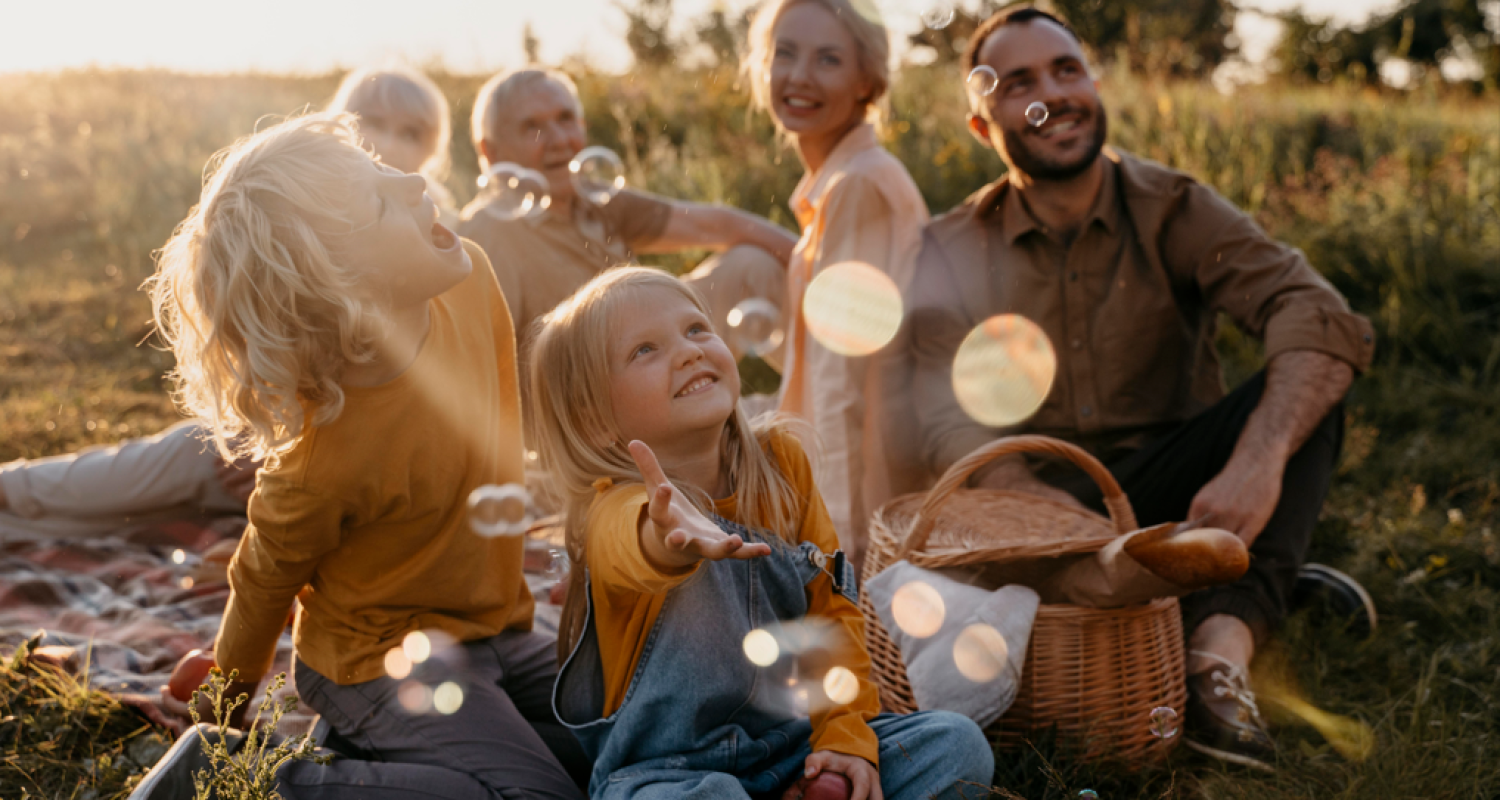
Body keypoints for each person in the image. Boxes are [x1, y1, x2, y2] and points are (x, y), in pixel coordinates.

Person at [902, 5, 1376, 771]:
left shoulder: (1175, 208)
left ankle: (1215, 653)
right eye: (1018, 81)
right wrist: (1019, 490)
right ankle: (1235, 583)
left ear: (1094, 83)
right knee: (1015, 573)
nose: (1053, 92)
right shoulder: (951, 248)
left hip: (1177, 485)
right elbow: (939, 412)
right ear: (982, 126)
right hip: (1045, 511)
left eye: (1067, 69)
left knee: (1303, 390)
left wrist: (1256, 461)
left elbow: (1317, 313)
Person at [130, 113, 587, 799]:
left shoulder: (471, 281)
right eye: (380, 198)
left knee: (624, 742)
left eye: (382, 168)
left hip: (495, 625)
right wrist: (222, 715)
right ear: (341, 285)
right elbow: (261, 585)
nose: (412, 180)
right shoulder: (323, 460)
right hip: (373, 663)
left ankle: (362, 753)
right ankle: (246, 781)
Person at [530, 266, 992, 799]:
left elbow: (832, 613)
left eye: (696, 329)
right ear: (595, 420)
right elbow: (629, 544)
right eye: (644, 351)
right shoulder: (614, 506)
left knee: (956, 744)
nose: (688, 352)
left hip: (795, 747)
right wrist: (664, 537)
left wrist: (843, 739)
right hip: (668, 774)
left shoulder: (782, 466)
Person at [0, 66, 458, 542]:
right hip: (287, 429)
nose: (390, 141)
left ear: (433, 151)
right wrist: (269, 434)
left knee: (177, 486)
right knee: (184, 452)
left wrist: (299, 456)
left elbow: (434, 390)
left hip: (370, 462)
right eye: (372, 121)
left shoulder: (446, 243)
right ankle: (14, 490)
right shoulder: (303, 228)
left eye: (412, 132)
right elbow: (272, 338)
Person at [743, 0, 931, 566]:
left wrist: (836, 550)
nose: (799, 76)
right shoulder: (839, 182)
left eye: (828, 59)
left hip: (869, 489)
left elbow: (839, 381)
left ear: (866, 83)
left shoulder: (857, 187)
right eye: (786, 53)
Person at [457, 68, 798, 372]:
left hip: (651, 356)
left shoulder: (591, 198)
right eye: (531, 127)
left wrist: (820, 266)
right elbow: (482, 366)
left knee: (754, 265)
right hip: (590, 407)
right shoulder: (489, 232)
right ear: (492, 152)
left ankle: (825, 397)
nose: (559, 140)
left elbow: (712, 225)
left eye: (565, 119)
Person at [327, 66, 460, 227]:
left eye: (409, 134)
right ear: (342, 125)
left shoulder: (449, 229)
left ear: (431, 148)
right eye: (375, 124)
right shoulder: (314, 207)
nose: (389, 145)